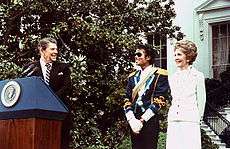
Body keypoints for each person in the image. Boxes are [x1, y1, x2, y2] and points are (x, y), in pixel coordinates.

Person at [23, 37, 72, 149]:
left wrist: (50, 99)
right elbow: (28, 88)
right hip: (37, 115)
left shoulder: (63, 68)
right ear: (42, 50)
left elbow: (67, 87)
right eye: (52, 49)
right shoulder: (30, 67)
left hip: (60, 114)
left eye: (56, 49)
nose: (56, 52)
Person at [123, 44, 170, 149]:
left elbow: (160, 100)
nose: (136, 56)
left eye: (139, 54)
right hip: (134, 119)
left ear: (148, 57)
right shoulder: (132, 77)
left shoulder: (160, 75)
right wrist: (131, 119)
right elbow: (127, 99)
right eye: (135, 54)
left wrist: (142, 120)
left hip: (150, 120)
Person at [166, 40, 206, 149]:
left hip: (190, 120)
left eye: (179, 54)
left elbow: (202, 100)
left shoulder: (197, 76)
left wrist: (198, 118)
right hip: (174, 120)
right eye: (175, 55)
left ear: (188, 57)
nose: (176, 57)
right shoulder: (172, 77)